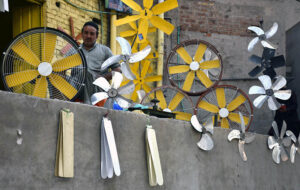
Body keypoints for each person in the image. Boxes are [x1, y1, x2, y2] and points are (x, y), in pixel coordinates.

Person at [80, 21, 121, 103]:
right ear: (82, 34)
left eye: (92, 34)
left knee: (86, 73)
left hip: (96, 87)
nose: (88, 36)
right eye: (86, 33)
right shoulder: (74, 50)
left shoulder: (105, 51)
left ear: (97, 36)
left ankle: (88, 105)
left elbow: (118, 70)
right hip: (76, 86)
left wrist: (103, 78)